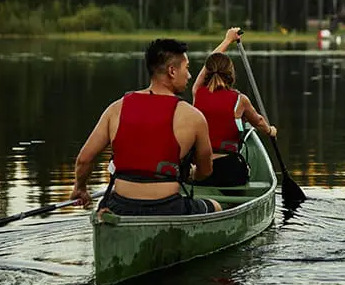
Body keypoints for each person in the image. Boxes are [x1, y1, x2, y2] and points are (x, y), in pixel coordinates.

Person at [69, 38, 222, 216]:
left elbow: (84, 159)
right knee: (215, 206)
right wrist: (189, 175)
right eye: (186, 68)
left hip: (120, 207)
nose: (189, 75)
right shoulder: (194, 117)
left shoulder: (116, 109)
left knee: (106, 208)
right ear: (172, 71)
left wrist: (80, 188)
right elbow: (206, 170)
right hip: (168, 208)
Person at [191, 27, 277, 187]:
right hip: (228, 169)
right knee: (241, 168)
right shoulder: (240, 100)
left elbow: (208, 64)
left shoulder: (197, 92)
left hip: (201, 168)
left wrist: (227, 40)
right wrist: (271, 131)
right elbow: (258, 122)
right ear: (231, 74)